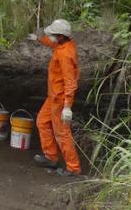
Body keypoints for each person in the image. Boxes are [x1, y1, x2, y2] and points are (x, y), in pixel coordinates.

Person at [28, 19, 82, 176]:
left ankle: (73, 168)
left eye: (52, 34)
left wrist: (67, 106)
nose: (50, 37)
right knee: (42, 122)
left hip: (59, 99)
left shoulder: (65, 54)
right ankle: (51, 157)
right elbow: (52, 43)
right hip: (53, 96)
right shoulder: (63, 45)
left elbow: (70, 82)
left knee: (62, 133)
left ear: (60, 36)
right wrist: (38, 38)